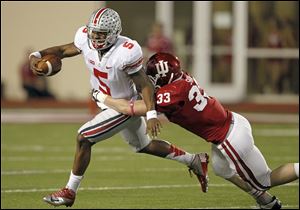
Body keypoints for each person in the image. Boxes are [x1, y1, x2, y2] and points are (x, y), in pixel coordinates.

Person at [29, 8, 209, 207]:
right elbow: (62, 51)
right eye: (93, 32)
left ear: (113, 33)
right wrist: (36, 55)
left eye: (100, 34)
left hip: (124, 106)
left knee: (84, 138)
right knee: (144, 146)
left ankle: (69, 191)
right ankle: (194, 160)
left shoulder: (127, 51)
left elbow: (144, 85)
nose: (95, 37)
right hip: (105, 102)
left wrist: (150, 114)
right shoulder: (84, 38)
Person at [93, 52, 299, 209]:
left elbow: (131, 109)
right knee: (222, 169)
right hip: (234, 123)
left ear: (162, 77)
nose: (150, 79)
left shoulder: (169, 95)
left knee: (264, 179)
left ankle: (265, 191)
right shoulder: (182, 78)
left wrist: (101, 97)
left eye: (153, 76)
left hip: (229, 138)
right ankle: (265, 201)